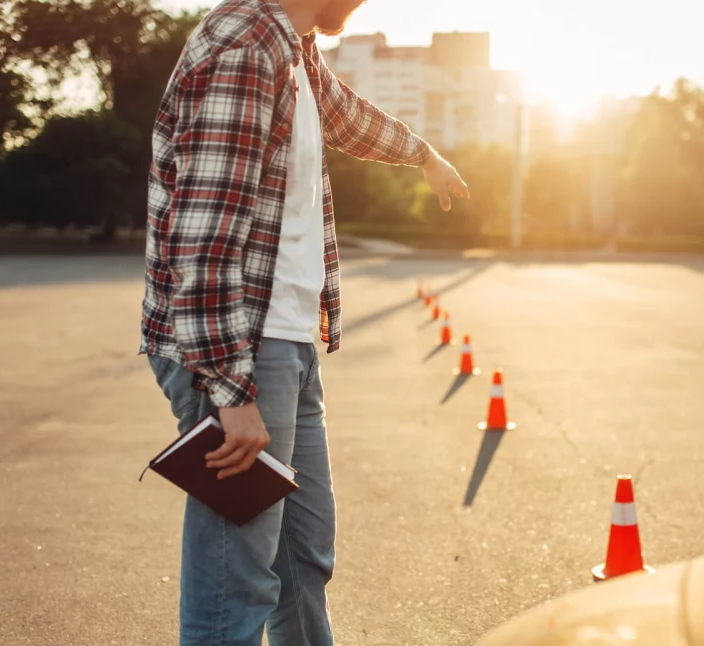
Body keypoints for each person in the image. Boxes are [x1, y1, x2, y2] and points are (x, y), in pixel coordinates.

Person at [138, 0, 469, 642]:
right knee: (235, 577)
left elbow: (346, 116)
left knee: (302, 557)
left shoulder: (296, 48)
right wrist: (232, 392)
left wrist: (422, 153)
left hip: (284, 342)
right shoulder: (245, 50)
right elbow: (201, 241)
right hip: (239, 350)